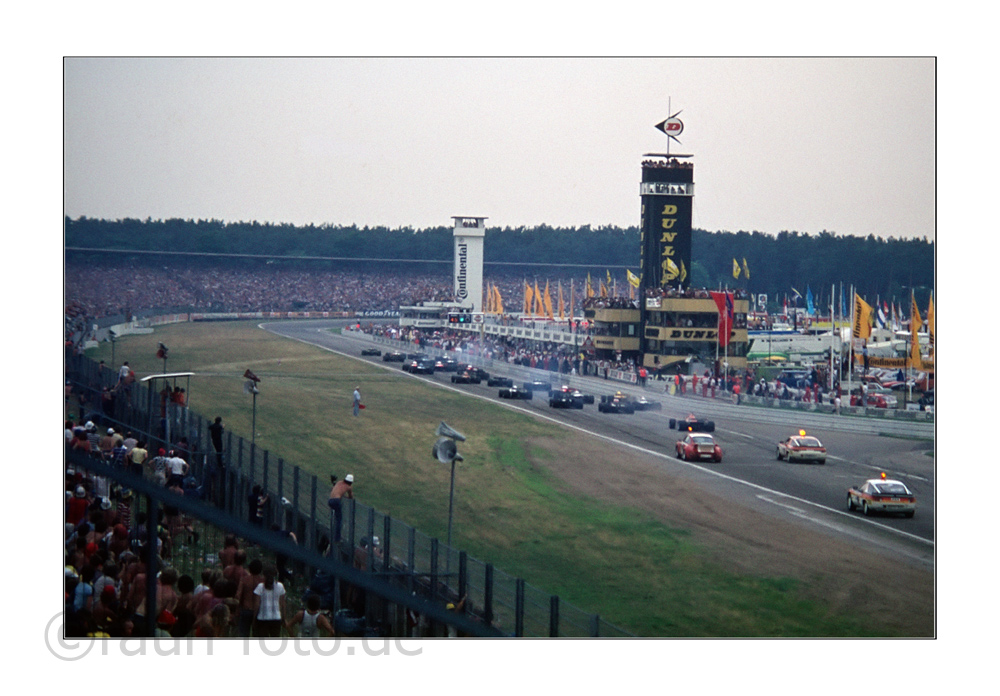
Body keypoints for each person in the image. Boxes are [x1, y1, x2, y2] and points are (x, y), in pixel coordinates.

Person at [253, 563, 286, 637]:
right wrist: (283, 618)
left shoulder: (260, 587)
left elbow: (257, 605)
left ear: (264, 575)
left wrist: (254, 618)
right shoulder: (280, 586)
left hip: (263, 618)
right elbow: (283, 604)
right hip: (276, 618)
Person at [327, 474, 354, 542]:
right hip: (336, 501)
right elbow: (351, 497)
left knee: (335, 515)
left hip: (330, 500)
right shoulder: (348, 487)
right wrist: (346, 497)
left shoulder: (339, 482)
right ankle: (337, 538)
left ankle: (332, 527)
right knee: (339, 519)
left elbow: (336, 488)